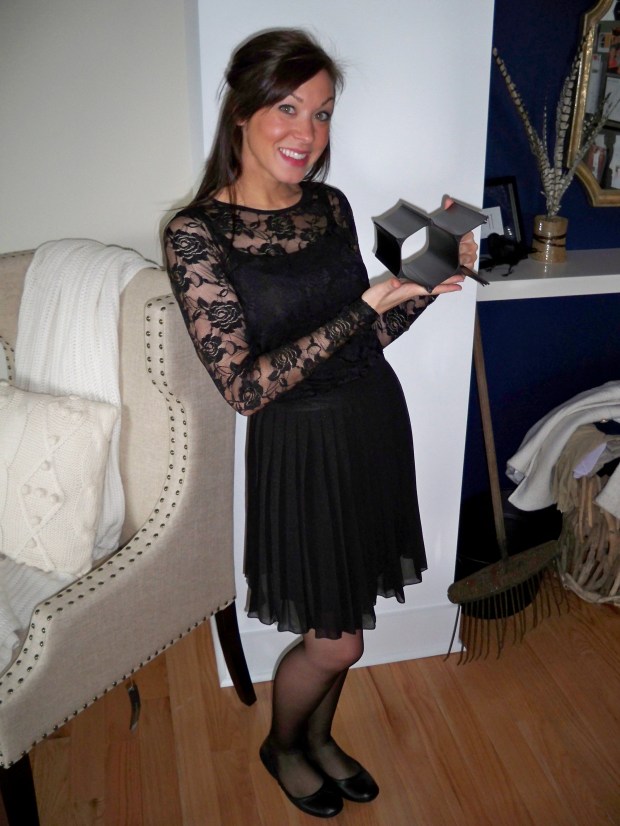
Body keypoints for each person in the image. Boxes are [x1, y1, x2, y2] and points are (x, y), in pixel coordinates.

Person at [164, 28, 477, 819]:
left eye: (323, 113)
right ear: (242, 112)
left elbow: (360, 336)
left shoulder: (329, 207)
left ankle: (319, 741)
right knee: (339, 639)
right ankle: (283, 745)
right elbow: (244, 387)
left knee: (344, 617)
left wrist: (417, 293)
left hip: (371, 424)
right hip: (300, 448)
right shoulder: (196, 233)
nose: (307, 132)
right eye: (288, 107)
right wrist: (364, 306)